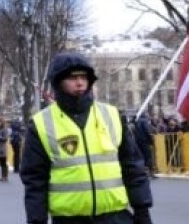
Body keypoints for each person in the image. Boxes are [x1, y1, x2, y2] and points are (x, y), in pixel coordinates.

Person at [21, 52, 153, 224]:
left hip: (115, 216)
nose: (79, 82)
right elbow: (35, 180)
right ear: (58, 82)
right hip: (69, 219)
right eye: (72, 78)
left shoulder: (111, 115)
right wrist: (36, 220)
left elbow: (133, 167)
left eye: (83, 76)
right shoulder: (41, 124)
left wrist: (142, 210)